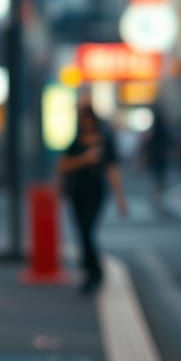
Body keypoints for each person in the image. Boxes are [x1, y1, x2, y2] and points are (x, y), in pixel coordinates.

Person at [57, 101, 129, 294]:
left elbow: (112, 169)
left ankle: (93, 271)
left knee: (88, 230)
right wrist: (85, 159)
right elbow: (63, 165)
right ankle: (91, 270)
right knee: (82, 231)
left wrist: (120, 197)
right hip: (77, 191)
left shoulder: (104, 140)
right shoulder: (77, 141)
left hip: (95, 192)